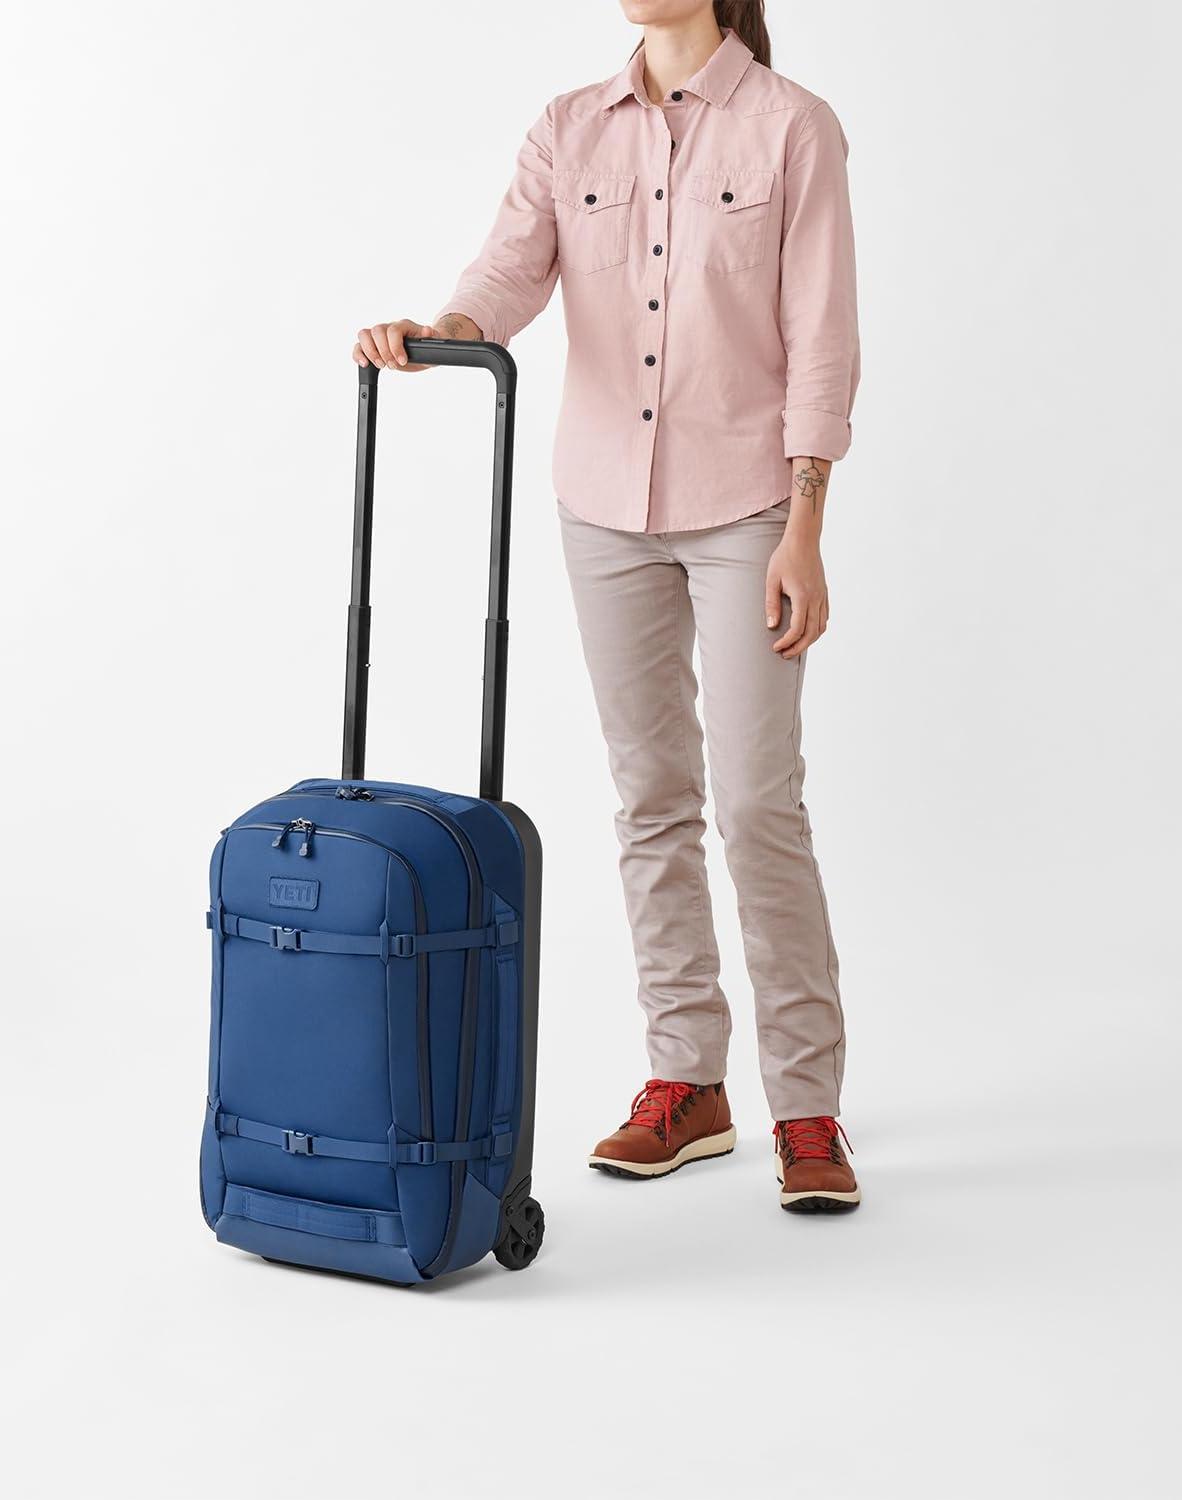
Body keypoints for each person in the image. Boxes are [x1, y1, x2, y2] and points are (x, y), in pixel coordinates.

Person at [352, 0, 861, 1213]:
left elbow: (820, 334)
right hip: (599, 504)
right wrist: (441, 332)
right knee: (649, 798)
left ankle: (805, 1104)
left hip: (746, 504)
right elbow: (507, 269)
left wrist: (804, 524)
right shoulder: (568, 125)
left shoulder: (792, 126)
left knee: (756, 803)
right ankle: (686, 1080)